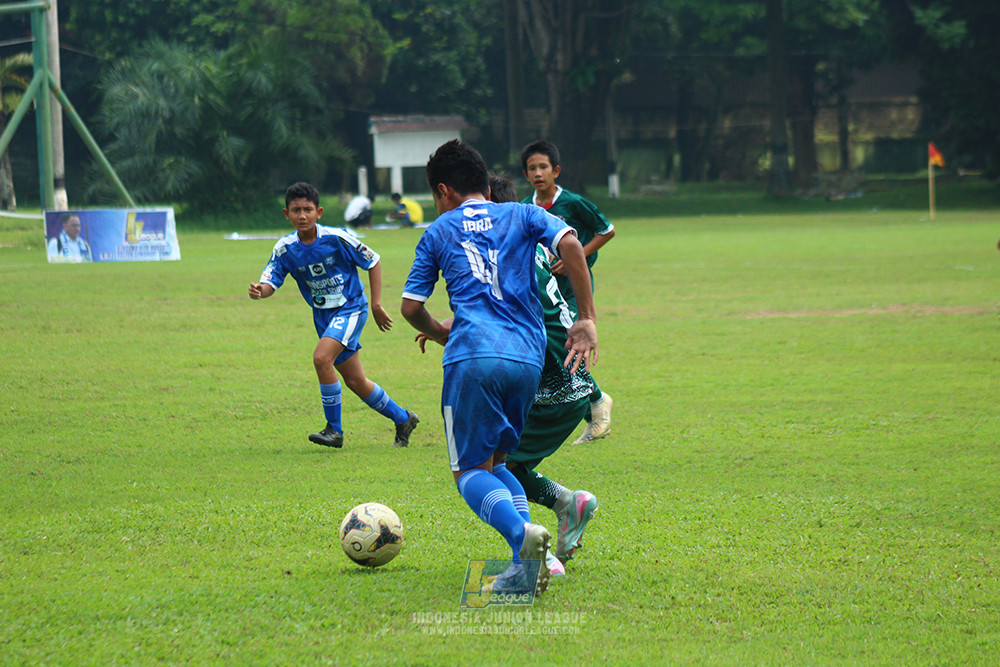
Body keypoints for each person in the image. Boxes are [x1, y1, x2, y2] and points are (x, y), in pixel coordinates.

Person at [401, 140, 598, 597]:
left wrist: (439, 331)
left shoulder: (438, 230)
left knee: (468, 471)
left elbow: (411, 306)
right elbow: (570, 243)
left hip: (473, 356)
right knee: (499, 462)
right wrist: (586, 317)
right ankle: (530, 564)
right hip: (527, 359)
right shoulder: (523, 214)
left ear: (444, 191)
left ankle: (521, 537)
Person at [486, 171, 599, 578]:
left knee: (491, 470)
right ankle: (567, 504)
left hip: (551, 389)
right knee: (504, 465)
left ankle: (537, 557)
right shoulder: (529, 246)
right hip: (570, 385)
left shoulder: (505, 258)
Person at [249, 182, 418, 450]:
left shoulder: (337, 238)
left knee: (321, 358)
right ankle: (403, 419)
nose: (302, 215)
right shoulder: (285, 248)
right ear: (286, 214)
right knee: (355, 381)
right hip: (323, 316)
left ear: (319, 212)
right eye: (296, 210)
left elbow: (373, 261)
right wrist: (261, 290)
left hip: (351, 307)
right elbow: (272, 279)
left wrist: (375, 304)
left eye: (307, 209)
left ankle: (334, 431)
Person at [521, 140, 615, 444]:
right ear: (525, 174)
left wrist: (578, 256)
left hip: (573, 290)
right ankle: (592, 405)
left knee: (567, 345)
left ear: (556, 171)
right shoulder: (524, 208)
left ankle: (597, 404)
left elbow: (607, 230)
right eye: (532, 168)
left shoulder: (573, 203)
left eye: (543, 167)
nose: (538, 173)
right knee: (548, 348)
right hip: (542, 293)